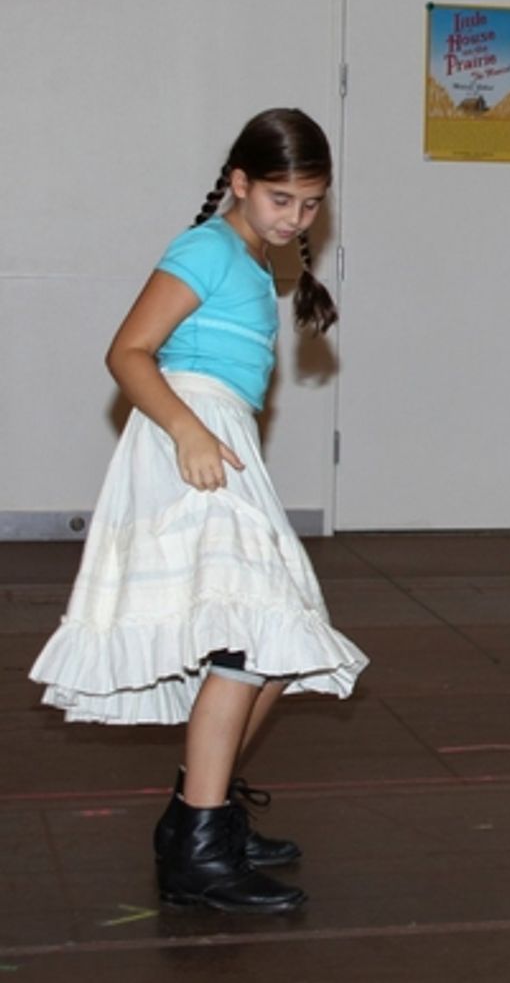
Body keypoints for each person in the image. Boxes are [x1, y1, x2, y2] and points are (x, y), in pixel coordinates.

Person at [29, 109, 369, 913]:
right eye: (281, 199)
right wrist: (185, 430)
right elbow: (127, 351)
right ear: (241, 184)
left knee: (282, 642)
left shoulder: (255, 266)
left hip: (222, 438)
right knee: (248, 638)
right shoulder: (206, 250)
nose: (295, 218)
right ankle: (199, 846)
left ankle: (198, 812)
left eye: (311, 204)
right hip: (191, 439)